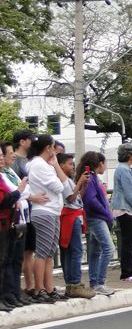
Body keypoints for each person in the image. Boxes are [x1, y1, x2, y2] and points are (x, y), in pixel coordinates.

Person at [27, 134, 68, 303]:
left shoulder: (45, 164)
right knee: (43, 252)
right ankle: (39, 288)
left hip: (52, 211)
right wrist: (56, 168)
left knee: (50, 252)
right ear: (48, 148)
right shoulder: (38, 165)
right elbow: (60, 186)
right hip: (44, 212)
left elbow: (63, 185)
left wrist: (55, 166)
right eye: (53, 147)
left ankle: (49, 288)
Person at [57, 153, 95, 299]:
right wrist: (79, 183)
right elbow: (70, 198)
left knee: (70, 251)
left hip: (74, 214)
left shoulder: (68, 180)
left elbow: (77, 197)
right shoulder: (63, 180)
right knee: (75, 251)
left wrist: (83, 185)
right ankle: (74, 283)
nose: (73, 166)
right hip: (69, 217)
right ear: (61, 166)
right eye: (70, 164)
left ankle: (71, 283)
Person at [79, 151, 116, 296]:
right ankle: (100, 282)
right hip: (97, 217)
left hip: (94, 217)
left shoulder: (91, 177)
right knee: (109, 248)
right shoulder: (91, 178)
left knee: (95, 251)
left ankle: (94, 282)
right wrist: (105, 213)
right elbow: (91, 199)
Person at [111, 142, 132, 282]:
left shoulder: (123, 169)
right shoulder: (124, 170)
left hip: (124, 209)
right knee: (128, 242)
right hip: (126, 210)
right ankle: (128, 273)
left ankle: (128, 272)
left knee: (127, 242)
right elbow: (130, 193)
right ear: (130, 154)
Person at [11, 129, 36, 299]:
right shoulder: (15, 163)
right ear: (22, 141)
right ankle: (20, 287)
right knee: (19, 251)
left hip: (31, 209)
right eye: (30, 140)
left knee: (29, 249)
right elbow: (16, 188)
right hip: (20, 209)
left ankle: (30, 285)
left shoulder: (30, 160)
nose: (32, 143)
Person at [0, 144, 25, 311]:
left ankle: (7, 295)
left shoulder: (3, 175)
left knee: (7, 260)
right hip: (2, 223)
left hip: (8, 223)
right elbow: (3, 200)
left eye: (2, 155)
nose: (2, 158)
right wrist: (18, 192)